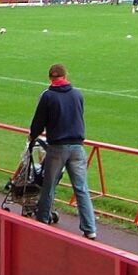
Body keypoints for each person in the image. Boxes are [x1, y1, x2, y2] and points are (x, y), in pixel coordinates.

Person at [28, 64, 96, 240]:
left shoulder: (48, 96)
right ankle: (90, 228)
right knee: (81, 188)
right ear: (66, 75)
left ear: (50, 78)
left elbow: (38, 122)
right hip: (77, 146)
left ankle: (42, 220)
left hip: (58, 146)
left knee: (49, 185)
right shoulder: (77, 94)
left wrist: (32, 136)